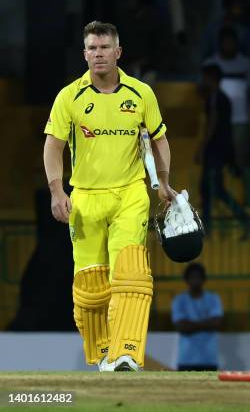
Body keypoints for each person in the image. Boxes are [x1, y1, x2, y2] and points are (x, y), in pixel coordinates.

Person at [43, 21, 175, 371]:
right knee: (90, 285)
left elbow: (158, 139)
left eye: (104, 48)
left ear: (118, 52)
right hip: (85, 198)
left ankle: (127, 351)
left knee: (130, 274)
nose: (98, 54)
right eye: (92, 48)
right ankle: (103, 353)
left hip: (130, 194)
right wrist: (57, 190)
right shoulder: (69, 96)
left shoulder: (141, 93)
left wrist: (162, 181)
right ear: (85, 53)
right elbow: (52, 146)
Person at [197, 63, 250, 237]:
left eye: (205, 77)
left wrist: (202, 147)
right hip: (218, 149)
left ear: (211, 78)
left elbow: (213, 124)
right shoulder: (219, 97)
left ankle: (246, 222)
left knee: (215, 189)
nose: (203, 81)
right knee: (207, 189)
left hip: (215, 150)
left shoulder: (216, 98)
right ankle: (207, 227)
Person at [203, 26, 250, 174]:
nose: (229, 46)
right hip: (219, 122)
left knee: (242, 158)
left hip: (241, 119)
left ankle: (245, 192)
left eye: (232, 42)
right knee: (218, 160)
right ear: (220, 43)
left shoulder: (246, 63)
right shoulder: (211, 63)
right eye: (226, 42)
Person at [172, 263, 223, 371]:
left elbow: (217, 323)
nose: (195, 280)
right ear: (186, 279)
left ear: (204, 279)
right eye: (192, 277)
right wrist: (207, 323)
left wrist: (191, 324)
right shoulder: (179, 300)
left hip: (209, 359)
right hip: (186, 359)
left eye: (198, 277)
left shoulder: (214, 298)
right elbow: (181, 327)